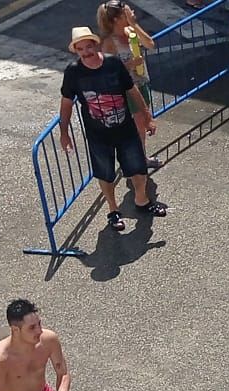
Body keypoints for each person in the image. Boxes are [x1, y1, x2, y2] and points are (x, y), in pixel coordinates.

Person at [61, 27, 163, 235]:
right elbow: (66, 103)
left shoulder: (113, 64)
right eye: (81, 49)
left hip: (125, 128)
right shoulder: (73, 72)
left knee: (138, 169)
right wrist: (64, 133)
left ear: (95, 45)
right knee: (105, 174)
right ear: (76, 51)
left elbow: (131, 90)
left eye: (88, 47)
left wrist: (147, 116)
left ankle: (142, 201)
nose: (86, 52)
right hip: (98, 135)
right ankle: (113, 211)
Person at [98, 0, 162, 172]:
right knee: (138, 126)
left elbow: (150, 44)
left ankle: (140, 158)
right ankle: (137, 161)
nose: (132, 11)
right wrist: (131, 65)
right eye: (128, 11)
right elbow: (108, 70)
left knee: (141, 126)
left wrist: (134, 24)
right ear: (118, 18)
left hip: (141, 83)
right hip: (127, 90)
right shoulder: (110, 42)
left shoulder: (130, 32)